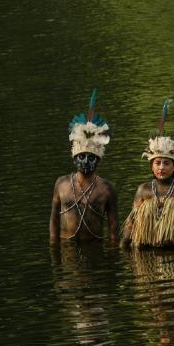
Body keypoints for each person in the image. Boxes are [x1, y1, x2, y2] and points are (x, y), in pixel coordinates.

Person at [120, 99, 174, 249]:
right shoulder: (144, 190)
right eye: (157, 163)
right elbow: (132, 221)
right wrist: (124, 244)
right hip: (147, 250)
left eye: (166, 163)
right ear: (151, 166)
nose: (161, 167)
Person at [50, 89, 119, 245]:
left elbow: (114, 228)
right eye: (81, 157)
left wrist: (113, 256)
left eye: (91, 157)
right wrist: (53, 247)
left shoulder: (107, 189)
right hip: (66, 247)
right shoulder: (62, 184)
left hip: (95, 247)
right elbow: (54, 220)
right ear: (74, 158)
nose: (86, 161)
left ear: (99, 160)